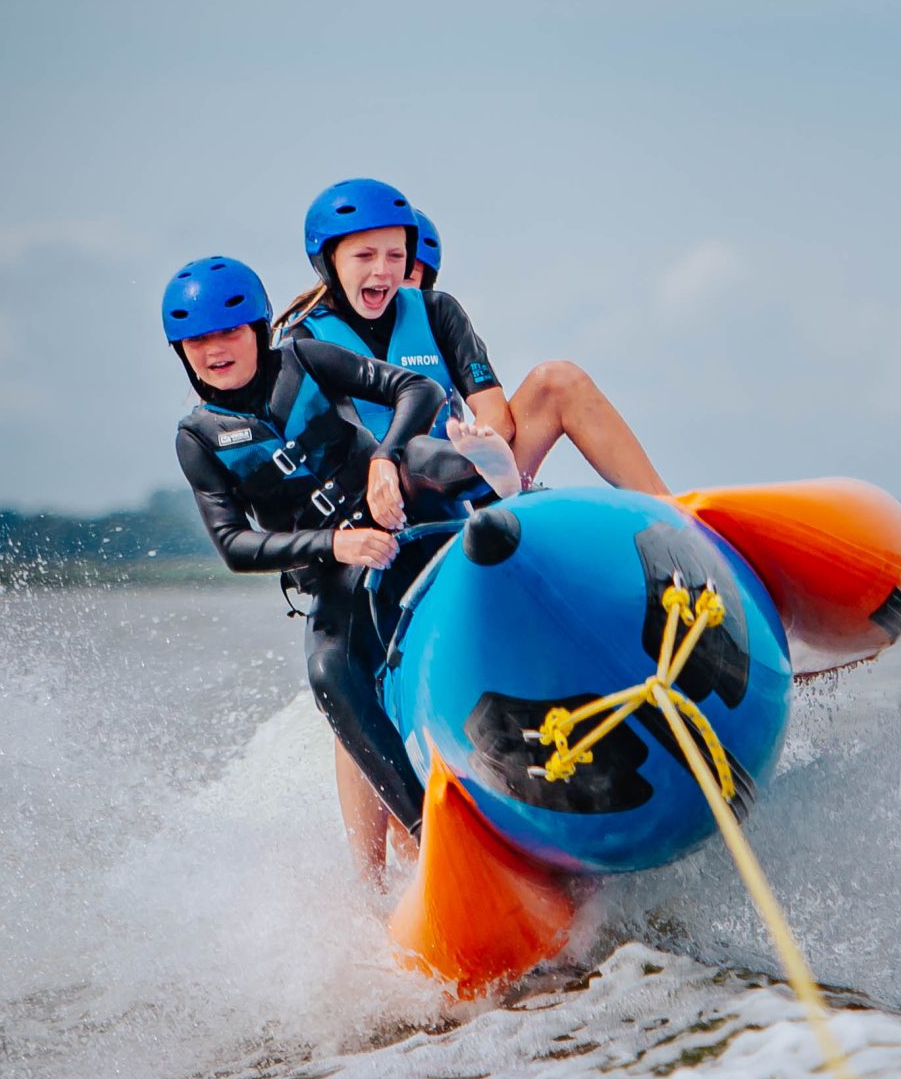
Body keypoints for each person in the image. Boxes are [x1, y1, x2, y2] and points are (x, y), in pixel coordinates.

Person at [165, 254, 484, 877]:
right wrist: (334, 544)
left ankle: (514, 526)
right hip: (340, 574)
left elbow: (418, 389)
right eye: (197, 341)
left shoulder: (304, 360)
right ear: (181, 351)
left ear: (257, 329)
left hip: (410, 520)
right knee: (328, 672)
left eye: (228, 332)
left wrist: (386, 458)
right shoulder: (198, 437)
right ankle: (433, 839)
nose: (214, 350)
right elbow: (233, 544)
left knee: (433, 458)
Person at [274, 178, 670, 493]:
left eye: (396, 257)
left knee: (558, 379)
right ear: (330, 262)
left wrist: (479, 449)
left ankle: (673, 515)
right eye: (364, 256)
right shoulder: (305, 341)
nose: (383, 271)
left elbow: (496, 413)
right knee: (417, 450)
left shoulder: (438, 311)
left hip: (473, 478)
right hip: (384, 498)